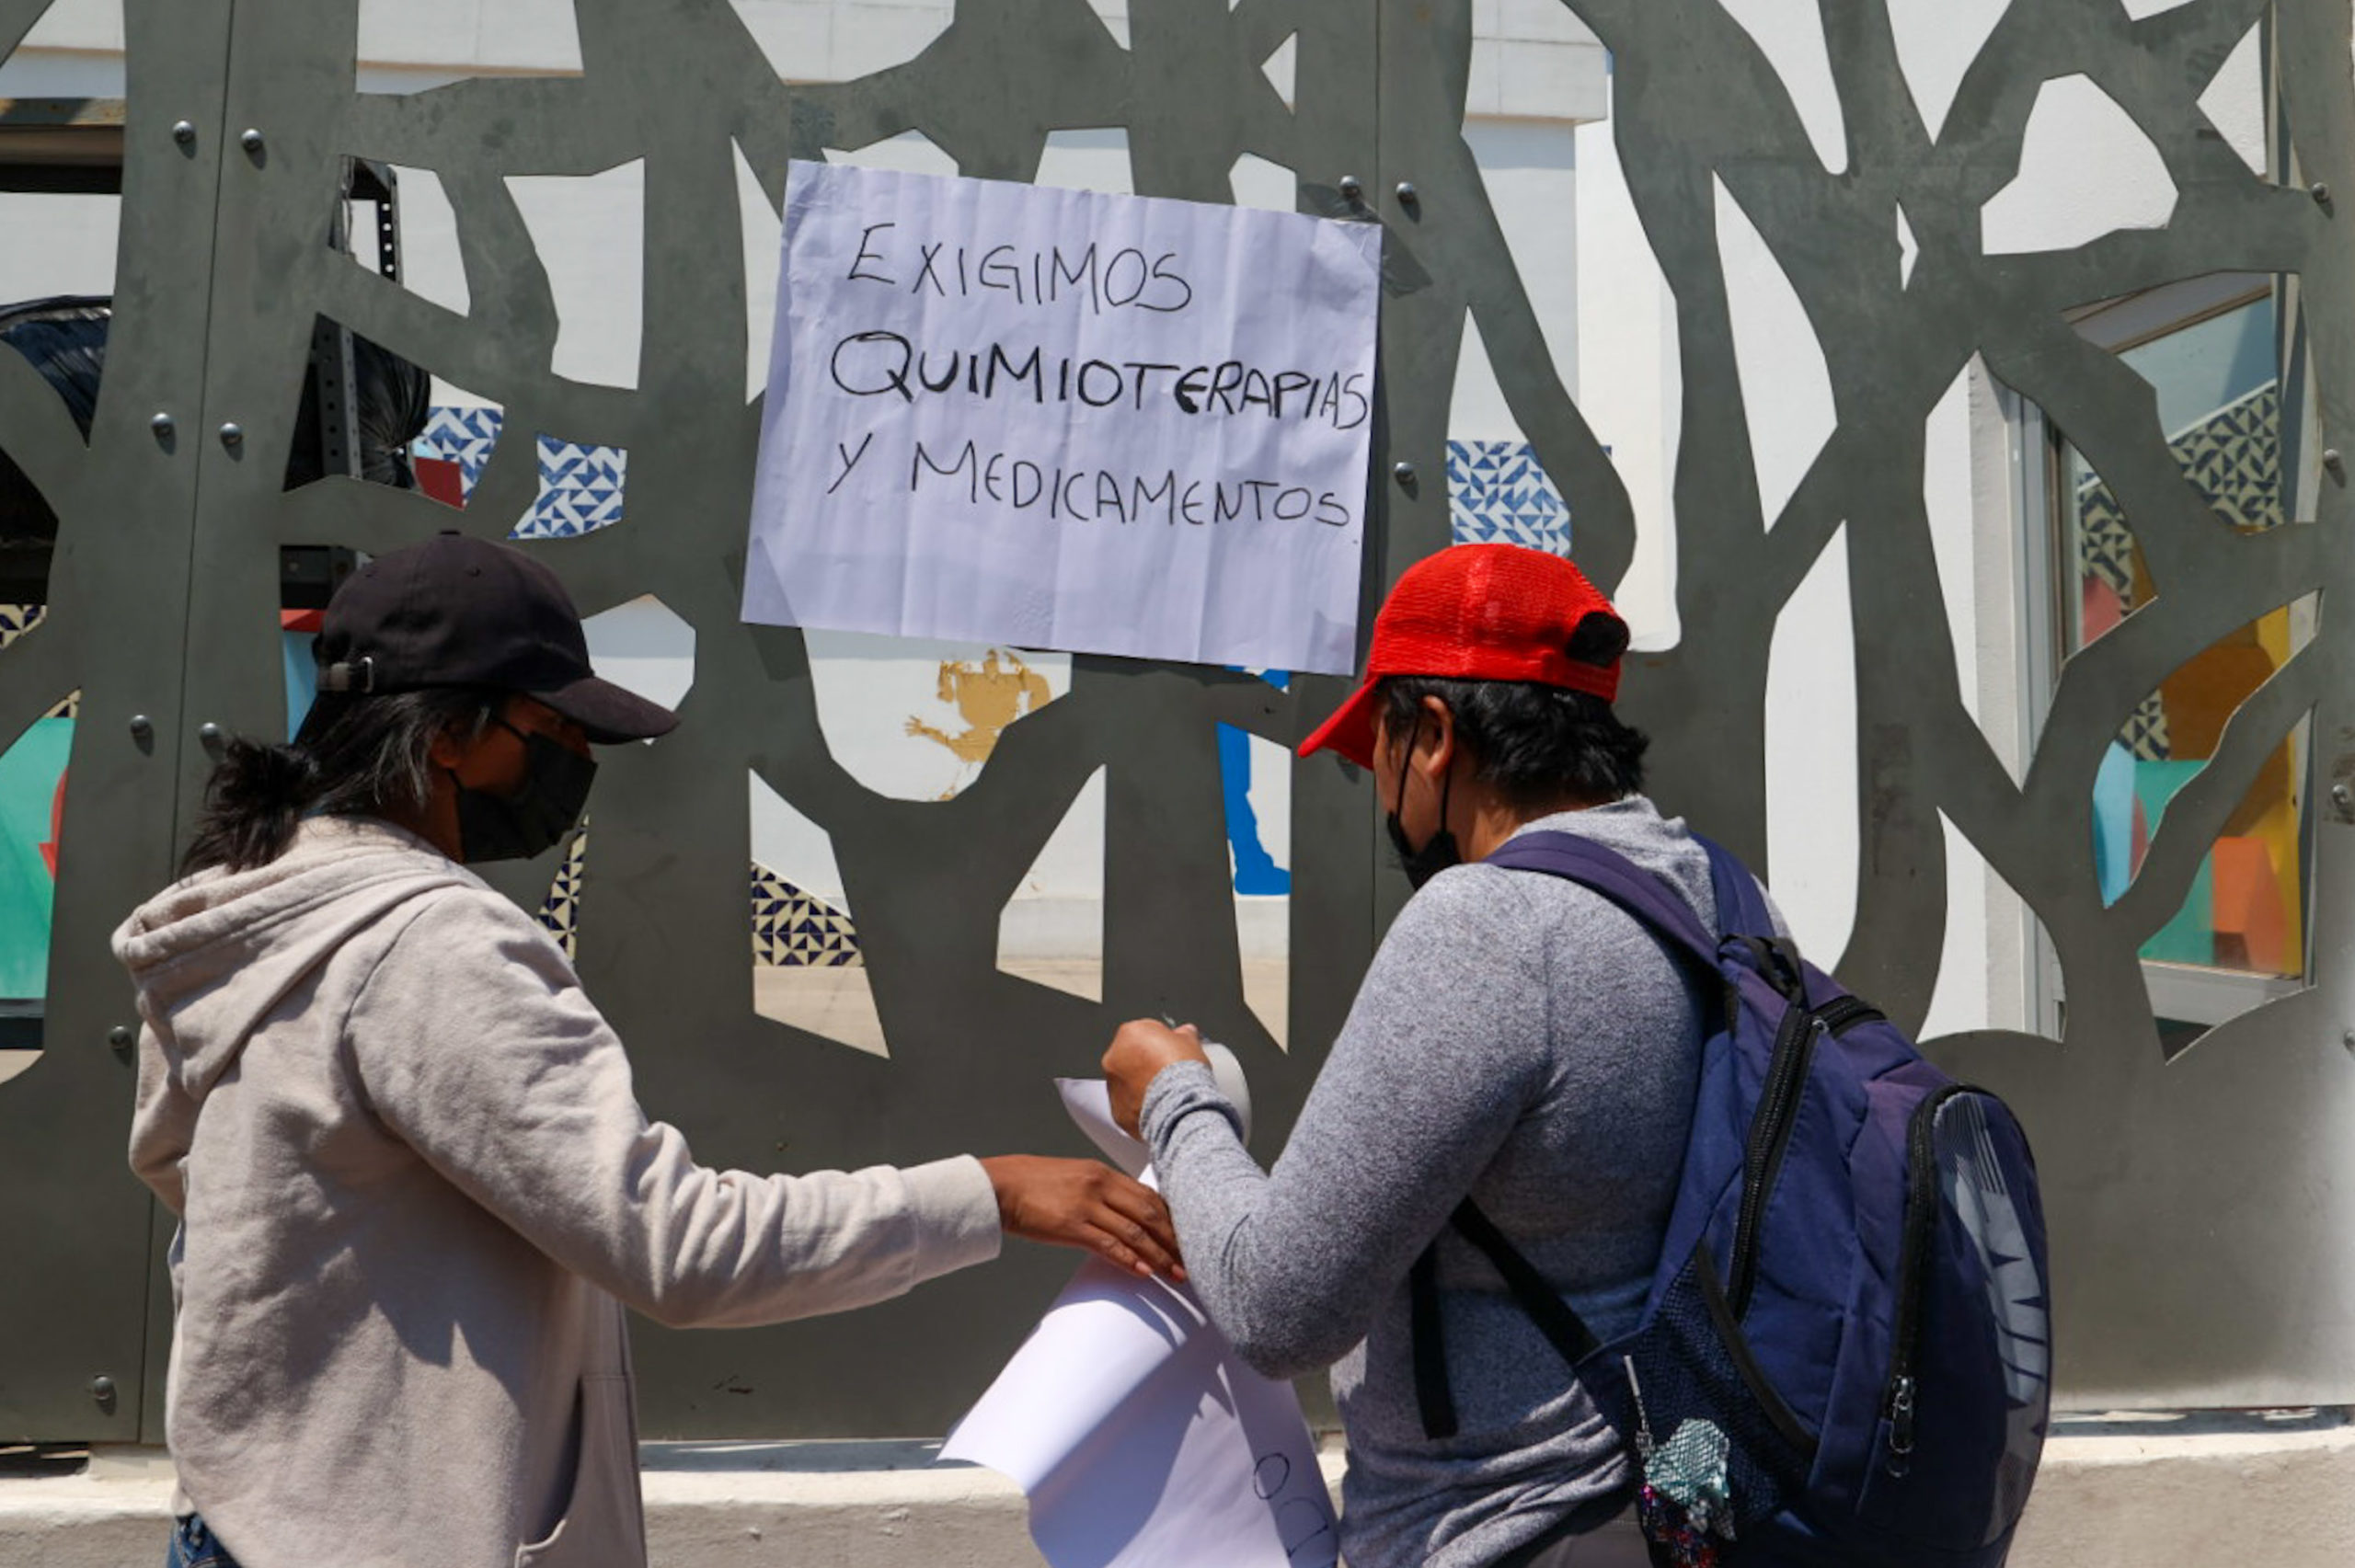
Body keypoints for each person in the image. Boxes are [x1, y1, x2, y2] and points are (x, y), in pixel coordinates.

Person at [116, 531, 1182, 1568]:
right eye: (554, 726)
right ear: (448, 735)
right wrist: (987, 1193)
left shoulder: (237, 919)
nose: (577, 759)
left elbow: (187, 1182)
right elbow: (677, 1249)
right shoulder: (434, 945)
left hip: (240, 1518)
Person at [1105, 543, 1763, 1568]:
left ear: (1436, 737)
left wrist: (1174, 1100)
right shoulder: (1716, 894)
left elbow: (1278, 1307)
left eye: (1378, 744)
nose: (1375, 786)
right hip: (1674, 1507)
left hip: (1504, 1529)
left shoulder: (1491, 925)